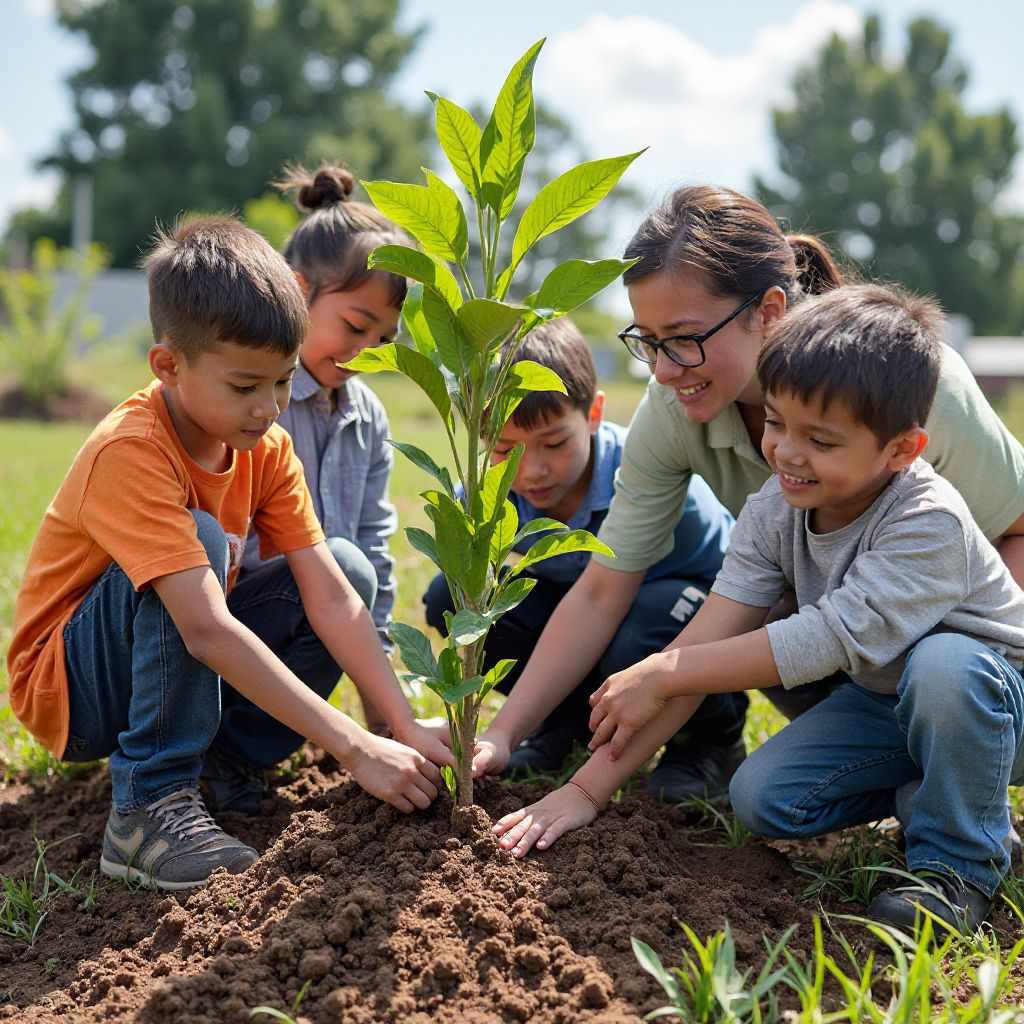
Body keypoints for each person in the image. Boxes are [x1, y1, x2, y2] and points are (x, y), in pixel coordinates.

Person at [497, 283, 1024, 932]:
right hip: (891, 704)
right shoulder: (776, 509)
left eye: (822, 440)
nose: (788, 455)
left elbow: (827, 639)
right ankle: (944, 795)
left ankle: (959, 867)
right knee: (762, 798)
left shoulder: (928, 519)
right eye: (777, 424)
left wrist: (667, 672)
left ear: (901, 450)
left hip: (998, 704)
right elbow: (709, 634)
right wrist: (585, 790)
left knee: (944, 666)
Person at [473, 184, 1024, 802]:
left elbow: (1017, 529)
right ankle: (907, 775)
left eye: (683, 338)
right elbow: (606, 590)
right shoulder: (683, 416)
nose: (662, 369)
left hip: (965, 664)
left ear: (769, 310)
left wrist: (963, 711)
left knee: (942, 670)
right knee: (761, 783)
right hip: (839, 659)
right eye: (647, 342)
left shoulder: (913, 385)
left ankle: (960, 786)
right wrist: (508, 735)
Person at [6, 216, 452, 892]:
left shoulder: (266, 448)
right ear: (168, 366)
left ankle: (220, 769)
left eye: (280, 383)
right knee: (201, 542)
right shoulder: (132, 448)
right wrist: (354, 748)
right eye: (245, 387)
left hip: (163, 652)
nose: (270, 408)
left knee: (347, 568)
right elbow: (205, 627)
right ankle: (148, 806)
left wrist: (398, 721)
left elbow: (330, 595)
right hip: (73, 686)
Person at [422, 318, 734, 778]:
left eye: (554, 443)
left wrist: (504, 730)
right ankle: (566, 724)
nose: (532, 472)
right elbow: (579, 607)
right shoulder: (491, 494)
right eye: (506, 450)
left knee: (637, 638)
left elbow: (602, 600)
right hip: (590, 606)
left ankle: (711, 739)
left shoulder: (639, 471)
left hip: (690, 599)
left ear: (593, 415)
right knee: (455, 598)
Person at [234, 164, 405, 769]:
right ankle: (219, 751)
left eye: (383, 341)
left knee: (354, 565)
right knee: (342, 567)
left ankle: (243, 757)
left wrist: (384, 704)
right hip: (232, 623)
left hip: (313, 624)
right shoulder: (255, 407)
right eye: (355, 327)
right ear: (297, 292)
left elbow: (373, 544)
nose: (364, 353)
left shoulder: (368, 416)